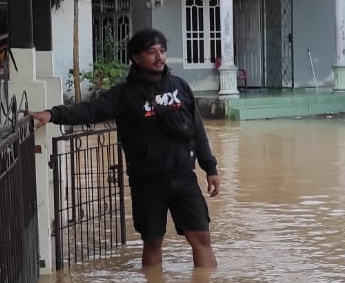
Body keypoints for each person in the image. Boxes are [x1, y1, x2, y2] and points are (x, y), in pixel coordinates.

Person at [29, 28, 221, 268]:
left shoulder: (180, 87)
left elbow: (197, 129)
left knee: (202, 238)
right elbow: (90, 110)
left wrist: (210, 168)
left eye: (162, 51)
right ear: (136, 58)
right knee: (153, 242)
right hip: (147, 182)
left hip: (184, 177)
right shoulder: (124, 95)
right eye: (152, 52)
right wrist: (52, 114)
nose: (159, 57)